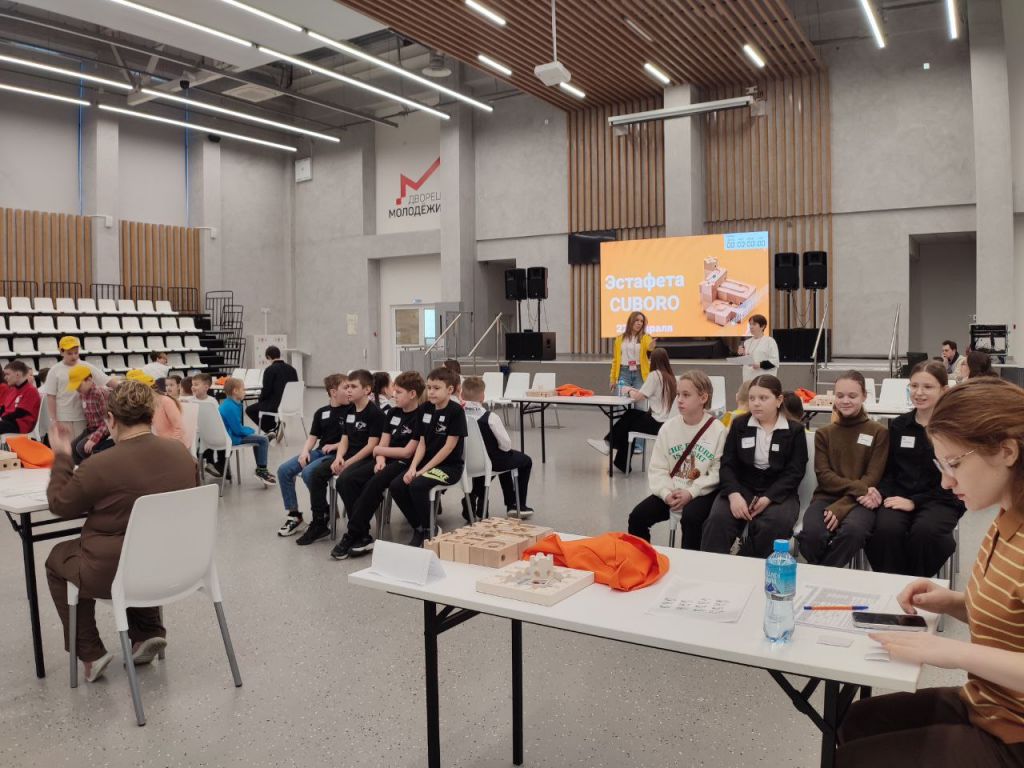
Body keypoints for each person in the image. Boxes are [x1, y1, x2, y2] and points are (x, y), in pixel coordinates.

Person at [836, 377, 1024, 767]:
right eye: (941, 465)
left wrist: (954, 652)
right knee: (852, 721)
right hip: (989, 703)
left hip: (1014, 732)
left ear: (1007, 451)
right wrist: (952, 602)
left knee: (857, 758)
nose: (945, 481)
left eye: (955, 464)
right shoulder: (1006, 517)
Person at [44, 380, 198, 682]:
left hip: (118, 571)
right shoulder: (182, 454)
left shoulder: (100, 465)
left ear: (111, 420)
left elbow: (60, 504)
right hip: (175, 563)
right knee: (139, 543)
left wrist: (61, 456)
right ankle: (148, 631)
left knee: (58, 558)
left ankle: (91, 653)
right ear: (151, 415)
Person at [864, 361, 965, 577]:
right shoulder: (899, 425)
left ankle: (915, 584)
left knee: (926, 533)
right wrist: (879, 491)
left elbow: (958, 479)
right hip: (899, 495)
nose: (919, 393)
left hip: (942, 499)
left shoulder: (955, 429)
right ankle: (893, 583)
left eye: (928, 387)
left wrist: (915, 502)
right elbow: (890, 470)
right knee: (885, 531)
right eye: (914, 386)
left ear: (944, 390)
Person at [701, 374, 808, 558]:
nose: (756, 403)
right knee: (718, 520)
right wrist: (733, 495)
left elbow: (795, 472)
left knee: (774, 524)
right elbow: (727, 465)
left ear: (778, 400)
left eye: (763, 398)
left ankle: (749, 564)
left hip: (779, 492)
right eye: (752, 398)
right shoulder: (739, 425)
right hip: (742, 486)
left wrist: (769, 497)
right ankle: (713, 569)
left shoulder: (794, 430)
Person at [795, 371, 889, 568]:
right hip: (828, 497)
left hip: (861, 502)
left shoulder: (879, 432)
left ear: (864, 396)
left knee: (853, 532)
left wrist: (841, 506)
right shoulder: (824, 434)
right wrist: (859, 489)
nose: (845, 401)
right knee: (811, 536)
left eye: (852, 396)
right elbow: (825, 476)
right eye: (840, 395)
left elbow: (873, 476)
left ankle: (821, 575)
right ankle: (828, 574)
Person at [330, 371, 426, 560]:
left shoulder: (420, 416)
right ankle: (362, 535)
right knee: (345, 480)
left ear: (412, 394)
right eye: (394, 391)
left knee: (373, 484)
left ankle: (352, 533)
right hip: (385, 459)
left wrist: (379, 452)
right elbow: (383, 442)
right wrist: (380, 459)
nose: (394, 395)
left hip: (403, 463)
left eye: (398, 392)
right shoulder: (392, 412)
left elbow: (407, 452)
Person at [628, 371, 728, 549]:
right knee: (637, 517)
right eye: (678, 394)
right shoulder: (668, 428)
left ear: (703, 398)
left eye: (686, 395)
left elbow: (716, 472)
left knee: (691, 518)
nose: (679, 400)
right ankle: (642, 559)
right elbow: (657, 468)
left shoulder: (718, 430)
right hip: (672, 490)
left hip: (701, 492)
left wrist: (691, 492)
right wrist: (666, 494)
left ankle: (689, 562)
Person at [296, 370, 385, 546]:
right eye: (347, 386)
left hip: (366, 458)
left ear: (367, 390)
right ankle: (319, 522)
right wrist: (338, 458)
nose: (349, 390)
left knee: (345, 480)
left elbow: (371, 446)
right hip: (348, 455)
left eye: (353, 386)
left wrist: (348, 463)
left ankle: (359, 530)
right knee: (316, 474)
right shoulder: (350, 411)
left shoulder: (375, 413)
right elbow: (345, 439)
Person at [388, 367, 468, 548]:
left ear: (450, 390)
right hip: (425, 464)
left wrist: (422, 471)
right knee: (396, 486)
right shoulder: (424, 409)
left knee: (417, 485)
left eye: (436, 388)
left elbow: (448, 448)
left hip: (449, 467)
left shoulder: (456, 411)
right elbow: (421, 443)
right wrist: (413, 468)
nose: (431, 392)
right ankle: (419, 527)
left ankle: (430, 529)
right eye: (429, 387)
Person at [275, 374, 349, 538]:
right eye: (345, 388)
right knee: (284, 470)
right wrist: (305, 451)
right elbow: (313, 437)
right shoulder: (321, 412)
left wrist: (336, 445)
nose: (349, 391)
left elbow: (354, 438)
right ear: (333, 392)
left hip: (338, 455)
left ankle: (323, 511)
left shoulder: (351, 411)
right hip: (319, 452)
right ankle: (294, 515)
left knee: (309, 473)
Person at [588, 348, 677, 473]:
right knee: (631, 414)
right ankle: (615, 454)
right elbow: (646, 393)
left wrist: (628, 390)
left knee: (628, 422)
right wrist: (634, 390)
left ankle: (609, 445)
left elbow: (638, 398)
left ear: (653, 360)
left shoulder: (655, 375)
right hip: (665, 423)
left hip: (656, 424)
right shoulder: (670, 378)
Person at [462, 376, 535, 519]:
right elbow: (506, 445)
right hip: (492, 461)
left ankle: (475, 495)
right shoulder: (491, 417)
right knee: (524, 461)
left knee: (501, 461)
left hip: (466, 462)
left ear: (462, 395)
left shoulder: (458, 415)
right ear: (482, 396)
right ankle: (517, 504)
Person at [42, 336, 111, 441]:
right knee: (68, 446)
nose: (74, 356)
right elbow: (51, 396)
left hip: (83, 416)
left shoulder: (86, 366)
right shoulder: (54, 370)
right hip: (63, 417)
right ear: (61, 352)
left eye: (76, 352)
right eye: (69, 353)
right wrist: (54, 419)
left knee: (80, 445)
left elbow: (107, 380)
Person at [219, 377, 277, 487]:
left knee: (260, 439)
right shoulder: (230, 407)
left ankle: (262, 439)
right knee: (262, 440)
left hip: (231, 435)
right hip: (232, 437)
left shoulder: (229, 404)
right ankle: (261, 471)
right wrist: (251, 430)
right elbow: (238, 430)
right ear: (235, 391)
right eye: (243, 389)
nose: (244, 392)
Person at [246, 346, 298, 440]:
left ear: (268, 357)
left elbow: (266, 390)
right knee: (265, 405)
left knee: (250, 409)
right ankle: (275, 427)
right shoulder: (292, 369)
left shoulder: (270, 370)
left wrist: (260, 399)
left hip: (276, 405)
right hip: (292, 404)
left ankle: (271, 429)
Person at [66, 365, 112, 464]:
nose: (77, 389)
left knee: (82, 448)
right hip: (91, 429)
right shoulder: (83, 393)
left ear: (89, 380)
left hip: (104, 429)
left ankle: (91, 467)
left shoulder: (99, 393)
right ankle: (80, 469)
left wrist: (94, 439)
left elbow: (107, 421)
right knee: (72, 448)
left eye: (79, 385)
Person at [131, 370, 186, 448]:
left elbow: (179, 429)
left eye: (138, 391)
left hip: (170, 446)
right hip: (157, 444)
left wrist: (171, 446)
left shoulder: (165, 401)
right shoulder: (147, 404)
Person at [187, 372, 225, 477]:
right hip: (196, 433)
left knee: (215, 438)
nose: (193, 387)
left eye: (196, 384)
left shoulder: (212, 401)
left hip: (209, 432)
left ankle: (216, 465)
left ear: (206, 387)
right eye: (192, 384)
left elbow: (218, 419)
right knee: (203, 439)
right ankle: (210, 463)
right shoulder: (190, 401)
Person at [609, 311, 656, 393]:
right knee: (622, 400)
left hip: (639, 373)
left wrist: (651, 346)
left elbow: (649, 348)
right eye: (637, 320)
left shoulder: (646, 337)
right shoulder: (619, 339)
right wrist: (612, 379)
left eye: (641, 321)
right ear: (631, 321)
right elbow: (615, 360)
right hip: (623, 373)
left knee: (640, 400)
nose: (639, 323)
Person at [0, 360, 41, 434]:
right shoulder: (12, 390)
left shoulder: (31, 390)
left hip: (21, 425)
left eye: (7, 374)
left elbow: (21, 413)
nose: (5, 377)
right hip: (9, 422)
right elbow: (4, 408)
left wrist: (2, 418)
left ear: (18, 374)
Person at [737, 314, 779, 383]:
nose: (751, 327)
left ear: (762, 326)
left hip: (763, 379)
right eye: (750, 324)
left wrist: (760, 365)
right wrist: (740, 355)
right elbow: (744, 363)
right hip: (748, 379)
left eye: (754, 324)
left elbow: (775, 361)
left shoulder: (769, 341)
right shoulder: (747, 342)